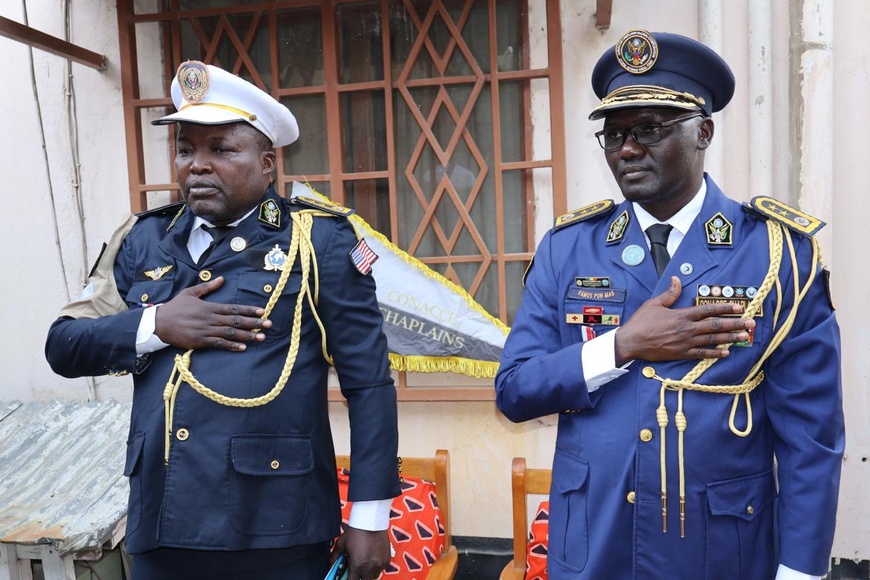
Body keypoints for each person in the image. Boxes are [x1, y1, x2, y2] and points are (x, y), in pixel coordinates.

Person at [495, 30, 844, 580]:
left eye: (650, 130)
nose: (627, 149)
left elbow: (811, 437)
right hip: (594, 547)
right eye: (614, 135)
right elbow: (514, 390)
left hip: (720, 552)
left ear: (703, 132)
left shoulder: (776, 253)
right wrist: (624, 343)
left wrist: (799, 572)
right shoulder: (569, 248)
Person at [45, 61, 400, 580]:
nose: (198, 166)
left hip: (275, 522)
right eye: (186, 149)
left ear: (267, 162)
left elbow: (368, 384)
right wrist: (157, 324)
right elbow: (65, 344)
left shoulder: (317, 241)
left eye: (222, 149)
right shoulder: (143, 238)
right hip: (161, 521)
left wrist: (370, 515)